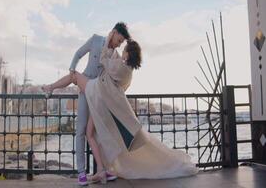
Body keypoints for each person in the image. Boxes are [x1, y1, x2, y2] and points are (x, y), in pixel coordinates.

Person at [42, 30, 199, 184]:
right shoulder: (125, 69)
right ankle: (102, 170)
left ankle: (50, 87)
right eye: (120, 42)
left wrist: (108, 45)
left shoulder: (119, 64)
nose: (120, 47)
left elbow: (104, 59)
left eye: (123, 47)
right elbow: (121, 87)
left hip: (95, 90)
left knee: (74, 76)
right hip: (101, 99)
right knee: (89, 133)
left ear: (128, 54)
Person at [44, 22, 130, 185]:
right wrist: (72, 69)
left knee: (99, 132)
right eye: (119, 40)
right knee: (81, 130)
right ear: (113, 33)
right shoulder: (96, 40)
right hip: (85, 91)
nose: (118, 45)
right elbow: (78, 53)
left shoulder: (115, 56)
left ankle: (103, 170)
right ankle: (82, 173)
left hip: (98, 95)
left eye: (121, 43)